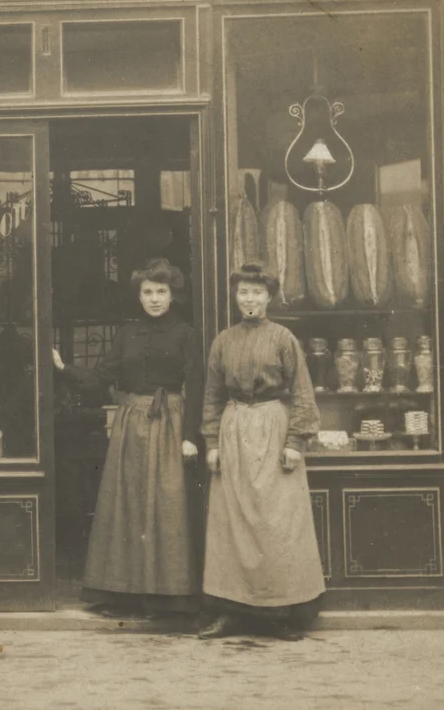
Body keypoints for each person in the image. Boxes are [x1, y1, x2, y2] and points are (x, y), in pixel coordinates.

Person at [53, 258, 204, 619]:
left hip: (171, 423)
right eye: (148, 292)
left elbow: (196, 388)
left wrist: (190, 437)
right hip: (131, 427)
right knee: (128, 505)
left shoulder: (187, 334)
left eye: (161, 292)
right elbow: (100, 377)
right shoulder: (126, 334)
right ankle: (124, 593)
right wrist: (63, 369)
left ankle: (169, 596)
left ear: (173, 296)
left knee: (168, 505)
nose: (154, 299)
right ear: (139, 296)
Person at [199, 261, 324, 641]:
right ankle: (230, 613)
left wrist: (295, 442)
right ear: (235, 297)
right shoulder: (223, 340)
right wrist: (212, 442)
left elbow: (302, 391)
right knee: (232, 523)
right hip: (234, 428)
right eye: (243, 292)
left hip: (274, 428)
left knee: (277, 524)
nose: (249, 298)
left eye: (256, 292)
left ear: (269, 296)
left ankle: (280, 615)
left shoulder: (284, 338)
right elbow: (213, 395)